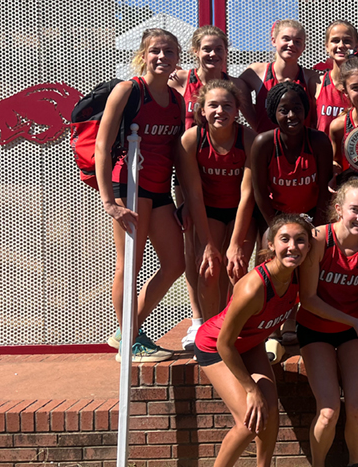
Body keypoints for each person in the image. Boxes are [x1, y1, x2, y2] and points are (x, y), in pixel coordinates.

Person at [97, 28, 220, 362]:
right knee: (130, 264)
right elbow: (102, 147)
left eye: (169, 52)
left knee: (176, 262)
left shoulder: (177, 100)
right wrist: (110, 202)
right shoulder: (128, 91)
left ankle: (129, 329)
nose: (162, 57)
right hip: (130, 189)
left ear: (178, 57)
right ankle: (131, 341)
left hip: (160, 189)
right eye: (156, 51)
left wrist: (182, 201)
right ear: (144, 54)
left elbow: (176, 154)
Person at [191, 214, 313, 467]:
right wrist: (250, 388)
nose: (293, 246)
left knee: (270, 409)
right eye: (285, 239)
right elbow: (224, 342)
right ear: (270, 245)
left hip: (252, 342)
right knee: (251, 418)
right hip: (216, 347)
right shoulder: (254, 286)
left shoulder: (301, 276)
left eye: (300, 240)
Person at [296, 180, 358, 467]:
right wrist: (354, 321)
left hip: (351, 332)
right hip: (316, 328)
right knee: (329, 410)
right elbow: (308, 299)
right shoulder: (319, 239)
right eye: (354, 210)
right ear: (338, 209)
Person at [171, 26, 243, 349]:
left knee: (228, 255)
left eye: (218, 49)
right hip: (188, 172)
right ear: (195, 51)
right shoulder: (180, 80)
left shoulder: (236, 85)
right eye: (206, 49)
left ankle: (226, 319)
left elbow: (254, 120)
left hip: (225, 172)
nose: (212, 54)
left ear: (226, 52)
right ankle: (198, 320)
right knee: (195, 250)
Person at [177, 79, 256, 324]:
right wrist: (209, 244)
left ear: (237, 111)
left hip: (240, 211)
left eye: (227, 106)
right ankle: (210, 332)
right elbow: (194, 194)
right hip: (208, 209)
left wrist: (234, 244)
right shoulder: (191, 139)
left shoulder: (249, 138)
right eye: (213, 106)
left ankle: (234, 330)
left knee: (237, 267)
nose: (220, 111)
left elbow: (247, 195)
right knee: (209, 269)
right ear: (201, 110)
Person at [246, 81, 333, 229]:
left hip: (312, 215)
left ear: (305, 110)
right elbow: (260, 193)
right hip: (276, 216)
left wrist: (317, 228)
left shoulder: (319, 141)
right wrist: (275, 228)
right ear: (274, 112)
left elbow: (325, 192)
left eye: (297, 109)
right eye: (284, 110)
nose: (291, 115)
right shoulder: (263, 144)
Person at [240, 19, 317, 134]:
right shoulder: (257, 72)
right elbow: (232, 89)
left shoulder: (311, 78)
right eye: (286, 39)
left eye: (297, 41)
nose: (291, 44)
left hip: (301, 148)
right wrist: (254, 122)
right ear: (274, 41)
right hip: (267, 148)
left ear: (303, 47)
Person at [315, 20, 358, 135]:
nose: (341, 45)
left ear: (356, 46)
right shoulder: (317, 84)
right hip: (325, 152)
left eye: (347, 41)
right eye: (335, 41)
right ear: (327, 47)